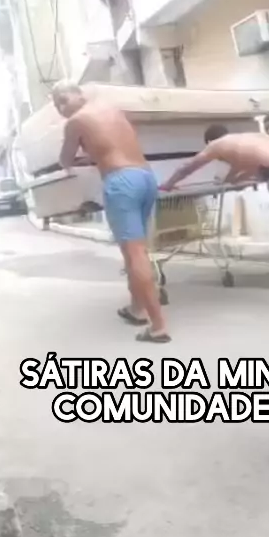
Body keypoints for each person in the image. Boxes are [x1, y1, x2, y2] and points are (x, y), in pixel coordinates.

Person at [53, 80, 170, 343]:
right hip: (145, 177)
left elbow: (65, 159)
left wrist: (77, 157)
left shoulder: (76, 121)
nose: (61, 107)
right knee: (135, 251)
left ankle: (158, 326)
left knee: (134, 254)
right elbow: (115, 143)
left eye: (63, 99)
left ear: (79, 94)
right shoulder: (111, 108)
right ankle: (137, 309)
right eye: (56, 104)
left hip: (121, 182)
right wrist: (95, 154)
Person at [160, 124, 269, 304]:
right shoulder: (246, 140)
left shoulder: (217, 145)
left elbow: (188, 167)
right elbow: (246, 168)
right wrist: (231, 180)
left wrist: (167, 185)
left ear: (209, 141)